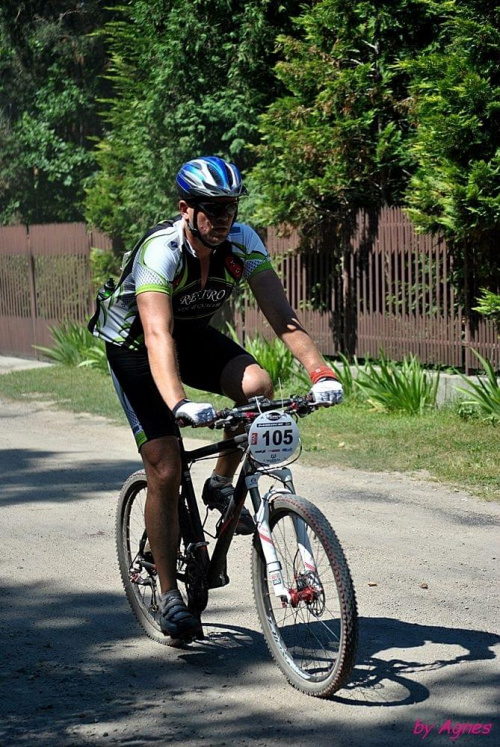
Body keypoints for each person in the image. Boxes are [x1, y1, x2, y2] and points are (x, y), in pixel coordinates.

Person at [90, 156, 343, 640]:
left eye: (230, 206)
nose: (223, 216)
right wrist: (180, 403)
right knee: (164, 466)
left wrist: (320, 372)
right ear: (187, 209)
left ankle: (219, 483)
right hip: (135, 346)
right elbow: (157, 335)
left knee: (258, 388)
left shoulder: (242, 242)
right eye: (211, 207)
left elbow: (282, 316)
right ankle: (168, 595)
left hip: (189, 337)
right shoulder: (160, 251)